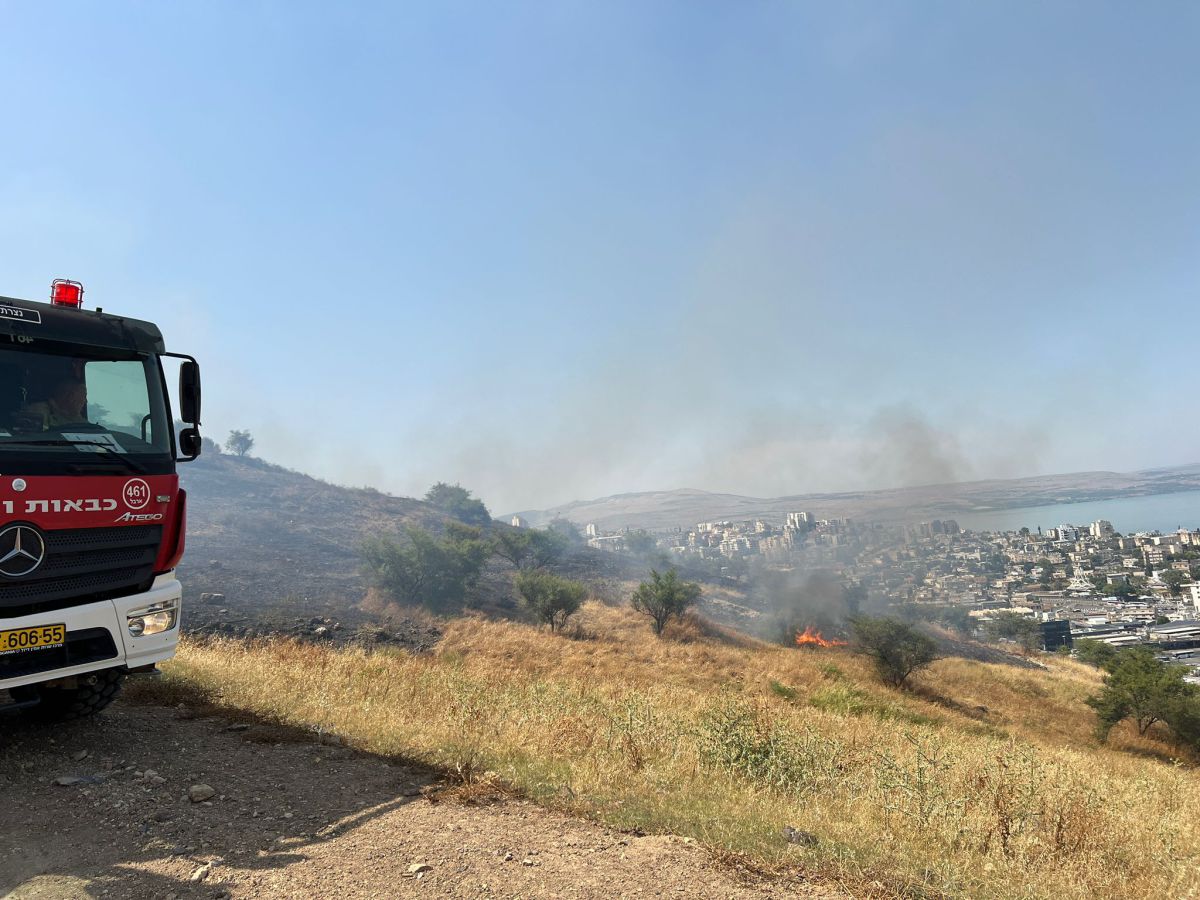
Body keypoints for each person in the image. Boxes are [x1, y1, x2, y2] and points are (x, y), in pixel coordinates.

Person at [18, 363, 88, 431]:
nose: (85, 401)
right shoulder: (37, 412)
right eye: (84, 397)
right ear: (71, 397)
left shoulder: (77, 418)